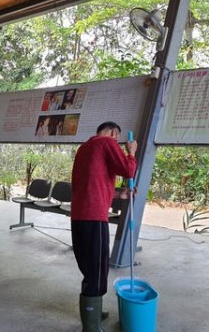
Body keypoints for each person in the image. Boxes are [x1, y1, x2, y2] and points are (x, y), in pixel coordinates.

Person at [71, 122, 137, 332]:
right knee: (97, 270)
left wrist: (119, 194)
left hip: (79, 215)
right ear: (114, 133)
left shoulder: (85, 148)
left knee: (89, 268)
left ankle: (95, 312)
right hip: (94, 216)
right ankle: (91, 327)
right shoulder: (107, 142)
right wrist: (131, 152)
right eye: (117, 139)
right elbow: (127, 169)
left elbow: (92, 183)